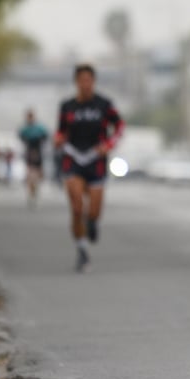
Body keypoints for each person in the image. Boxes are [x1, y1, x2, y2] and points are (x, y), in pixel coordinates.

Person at [54, 64, 124, 273]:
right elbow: (60, 132)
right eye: (81, 80)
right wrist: (58, 140)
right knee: (76, 208)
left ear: (93, 82)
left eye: (88, 80)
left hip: (96, 160)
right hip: (73, 158)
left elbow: (119, 126)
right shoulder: (67, 106)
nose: (85, 84)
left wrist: (109, 145)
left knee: (93, 211)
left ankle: (92, 223)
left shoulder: (104, 104)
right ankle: (82, 250)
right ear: (76, 82)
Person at [18, 109, 49, 207]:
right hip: (30, 152)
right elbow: (21, 136)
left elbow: (45, 136)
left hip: (38, 152)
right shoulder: (25, 128)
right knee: (30, 174)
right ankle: (31, 192)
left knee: (37, 174)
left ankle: (35, 190)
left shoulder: (39, 128)